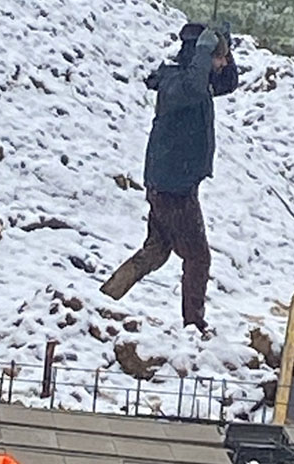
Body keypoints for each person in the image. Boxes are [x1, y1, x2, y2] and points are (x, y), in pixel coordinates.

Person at [100, 21, 239, 333]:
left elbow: (228, 83)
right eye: (218, 58)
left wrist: (225, 47)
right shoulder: (177, 83)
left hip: (172, 185)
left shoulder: (197, 79)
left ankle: (105, 297)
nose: (222, 64)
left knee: (156, 251)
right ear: (201, 55)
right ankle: (194, 326)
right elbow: (193, 87)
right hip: (173, 190)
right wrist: (205, 51)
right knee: (199, 258)